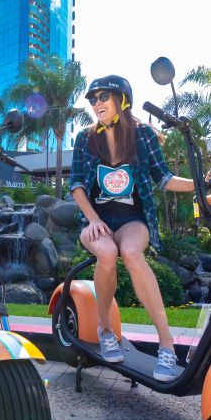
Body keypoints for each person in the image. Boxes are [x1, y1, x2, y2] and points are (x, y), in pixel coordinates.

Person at [69, 75, 195, 382]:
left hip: (133, 220)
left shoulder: (142, 136)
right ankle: (105, 329)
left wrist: (200, 186)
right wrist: (94, 220)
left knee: (130, 253)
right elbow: (77, 185)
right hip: (96, 220)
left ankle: (166, 345)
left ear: (121, 99)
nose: (96, 103)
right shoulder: (86, 138)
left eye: (102, 97)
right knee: (107, 254)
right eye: (92, 99)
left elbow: (163, 178)